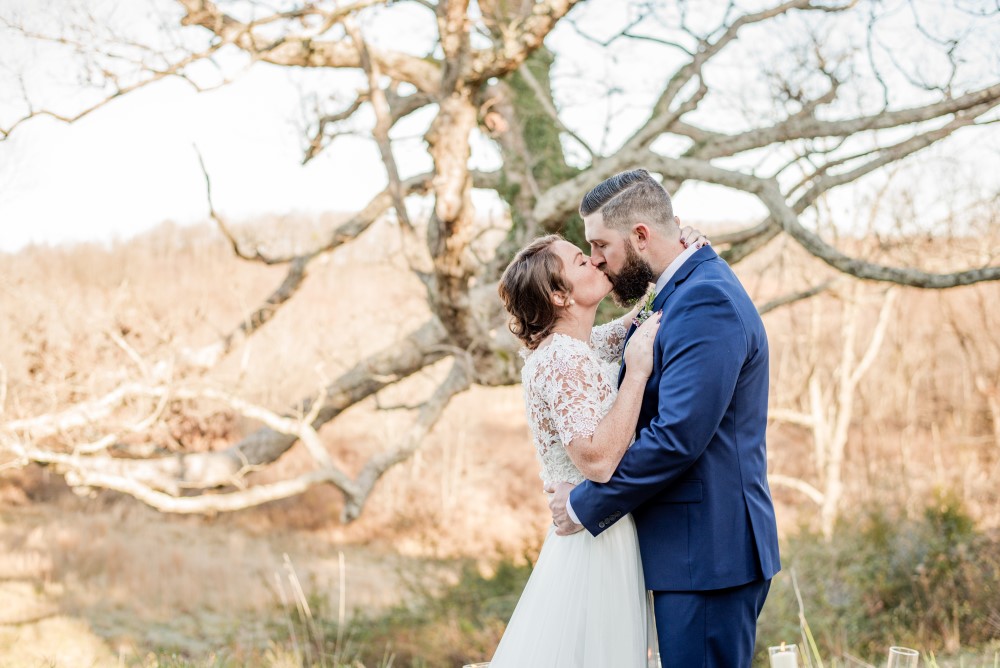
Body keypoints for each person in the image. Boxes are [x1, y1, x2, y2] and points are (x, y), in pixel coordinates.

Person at [548, 168, 781, 667]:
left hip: (709, 555)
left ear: (640, 235)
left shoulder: (706, 300)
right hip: (689, 553)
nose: (595, 259)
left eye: (600, 244)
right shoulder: (679, 288)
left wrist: (584, 504)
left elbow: (677, 437)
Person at [491, 224, 707, 667]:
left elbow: (641, 318)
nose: (594, 260)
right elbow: (597, 460)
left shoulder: (577, 345)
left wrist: (683, 252)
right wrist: (637, 372)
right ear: (559, 296)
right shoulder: (562, 357)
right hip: (594, 543)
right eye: (579, 260)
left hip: (598, 529)